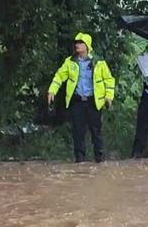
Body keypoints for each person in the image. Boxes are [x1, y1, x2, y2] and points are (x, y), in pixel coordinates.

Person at [47, 32, 115, 163]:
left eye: (80, 43)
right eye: (76, 43)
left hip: (93, 102)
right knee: (78, 132)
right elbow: (60, 76)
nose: (77, 45)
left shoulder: (99, 62)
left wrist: (109, 97)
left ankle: (100, 159)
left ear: (87, 46)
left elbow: (109, 80)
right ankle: (80, 161)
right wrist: (52, 91)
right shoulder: (70, 62)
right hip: (77, 102)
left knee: (96, 132)